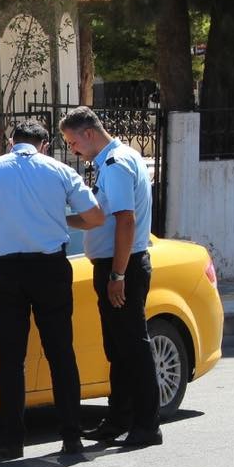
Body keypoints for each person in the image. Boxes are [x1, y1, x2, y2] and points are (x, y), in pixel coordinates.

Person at [0, 118, 104, 461]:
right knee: (60, 353)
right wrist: (58, 219)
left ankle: (12, 440)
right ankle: (72, 437)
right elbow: (95, 217)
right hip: (50, 268)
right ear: (43, 145)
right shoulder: (59, 171)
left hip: (7, 271)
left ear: (11, 141)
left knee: (11, 358)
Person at [60, 106, 163, 449]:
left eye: (72, 141)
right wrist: (60, 220)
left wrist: (118, 273)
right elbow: (98, 218)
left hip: (124, 265)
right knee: (118, 348)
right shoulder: (113, 161)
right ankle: (119, 419)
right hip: (117, 264)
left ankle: (147, 425)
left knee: (133, 346)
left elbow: (125, 221)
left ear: (89, 133)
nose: (72, 149)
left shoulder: (116, 165)